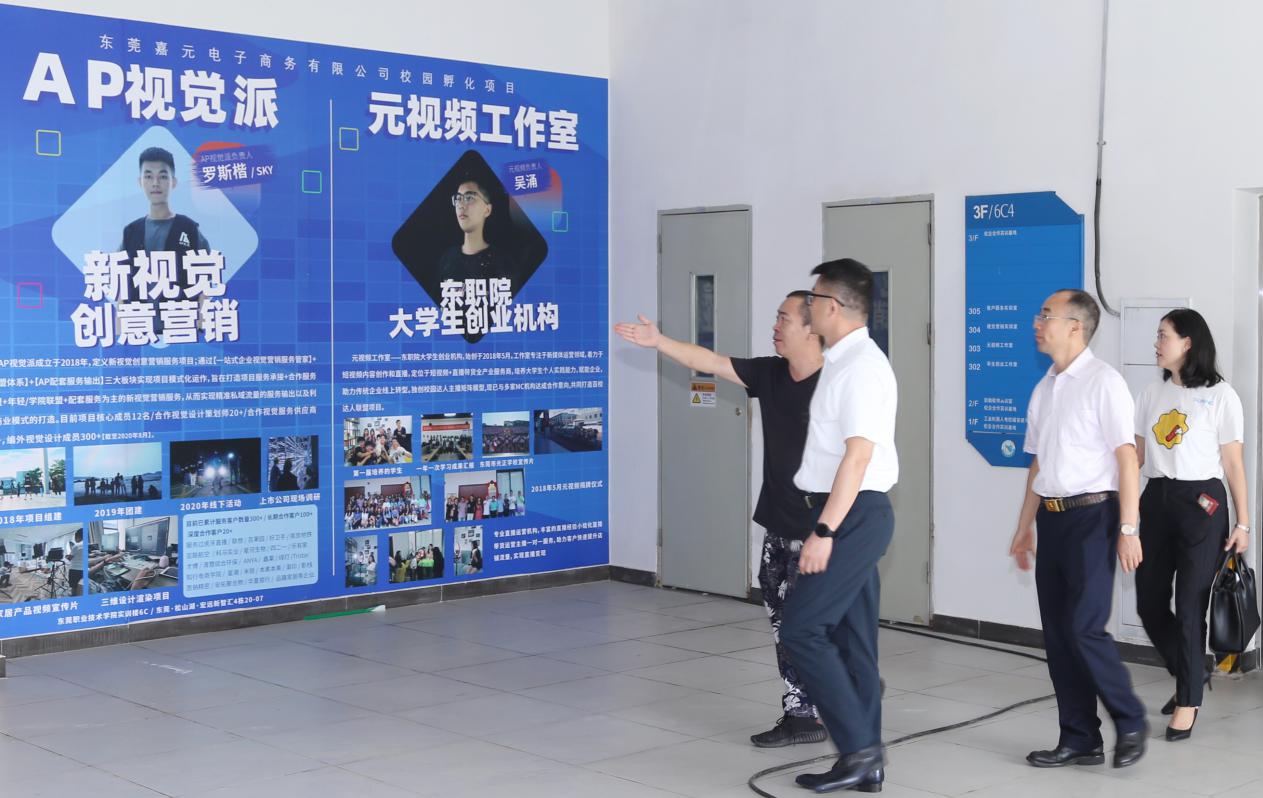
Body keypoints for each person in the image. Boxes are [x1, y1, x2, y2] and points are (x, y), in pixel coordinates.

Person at [615, 290, 827, 747]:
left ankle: (844, 698)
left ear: (813, 330)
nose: (775, 326)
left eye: (784, 319)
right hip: (779, 523)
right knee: (783, 622)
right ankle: (802, 713)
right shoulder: (771, 373)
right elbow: (709, 361)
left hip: (820, 531)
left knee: (810, 626)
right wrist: (659, 341)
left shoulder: (837, 385)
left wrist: (831, 530)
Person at [1009, 289, 1148, 770]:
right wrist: (1024, 525)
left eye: (1046, 315)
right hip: (1052, 518)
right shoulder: (1044, 387)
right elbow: (1038, 463)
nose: (1037, 322)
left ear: (1075, 326)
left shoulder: (1104, 382)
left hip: (1094, 517)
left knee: (1085, 628)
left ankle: (1131, 720)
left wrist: (1129, 528)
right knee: (1059, 634)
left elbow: (1127, 458)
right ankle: (1080, 738)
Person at [776, 259, 897, 793]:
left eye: (814, 299)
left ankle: (860, 750)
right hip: (849, 510)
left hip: (851, 513)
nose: (808, 307)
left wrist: (824, 532)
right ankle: (866, 765)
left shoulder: (861, 368)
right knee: (854, 643)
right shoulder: (841, 362)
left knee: (802, 630)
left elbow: (858, 457)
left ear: (835, 306)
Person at [1134, 308, 1250, 741]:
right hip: (1156, 499)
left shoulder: (1221, 396)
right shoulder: (1151, 393)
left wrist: (1244, 523)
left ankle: (1188, 700)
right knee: (1148, 601)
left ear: (1188, 343)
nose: (1156, 343)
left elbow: (1233, 464)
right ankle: (1192, 670)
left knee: (1189, 605)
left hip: (1203, 503)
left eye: (1163, 335)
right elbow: (1136, 457)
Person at [436, 176, 519, 295]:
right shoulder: (447, 259)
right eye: (458, 198)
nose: (461, 205)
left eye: (469, 198)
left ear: (487, 210)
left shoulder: (503, 262)